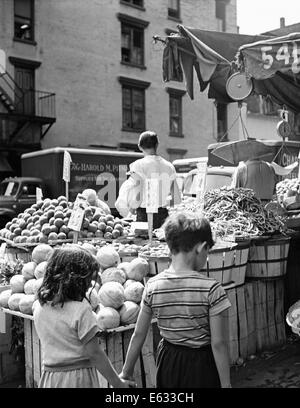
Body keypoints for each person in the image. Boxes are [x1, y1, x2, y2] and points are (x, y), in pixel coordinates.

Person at [120, 212, 232, 388]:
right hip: (201, 365)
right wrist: (226, 385)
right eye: (208, 252)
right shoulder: (212, 290)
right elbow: (219, 344)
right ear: (201, 248)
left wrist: (126, 373)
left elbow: (138, 334)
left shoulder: (152, 286)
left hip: (168, 360)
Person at [33, 245, 135, 388]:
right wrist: (118, 384)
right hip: (77, 379)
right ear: (75, 279)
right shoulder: (81, 310)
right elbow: (95, 353)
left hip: (50, 377)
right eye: (87, 280)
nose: (89, 285)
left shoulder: (39, 306)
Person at [121, 130, 181, 229]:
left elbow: (138, 196)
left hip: (144, 215)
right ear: (157, 145)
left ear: (139, 146)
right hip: (163, 216)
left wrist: (131, 209)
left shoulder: (137, 165)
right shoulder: (169, 166)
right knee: (162, 242)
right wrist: (161, 202)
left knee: (144, 242)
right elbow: (177, 199)